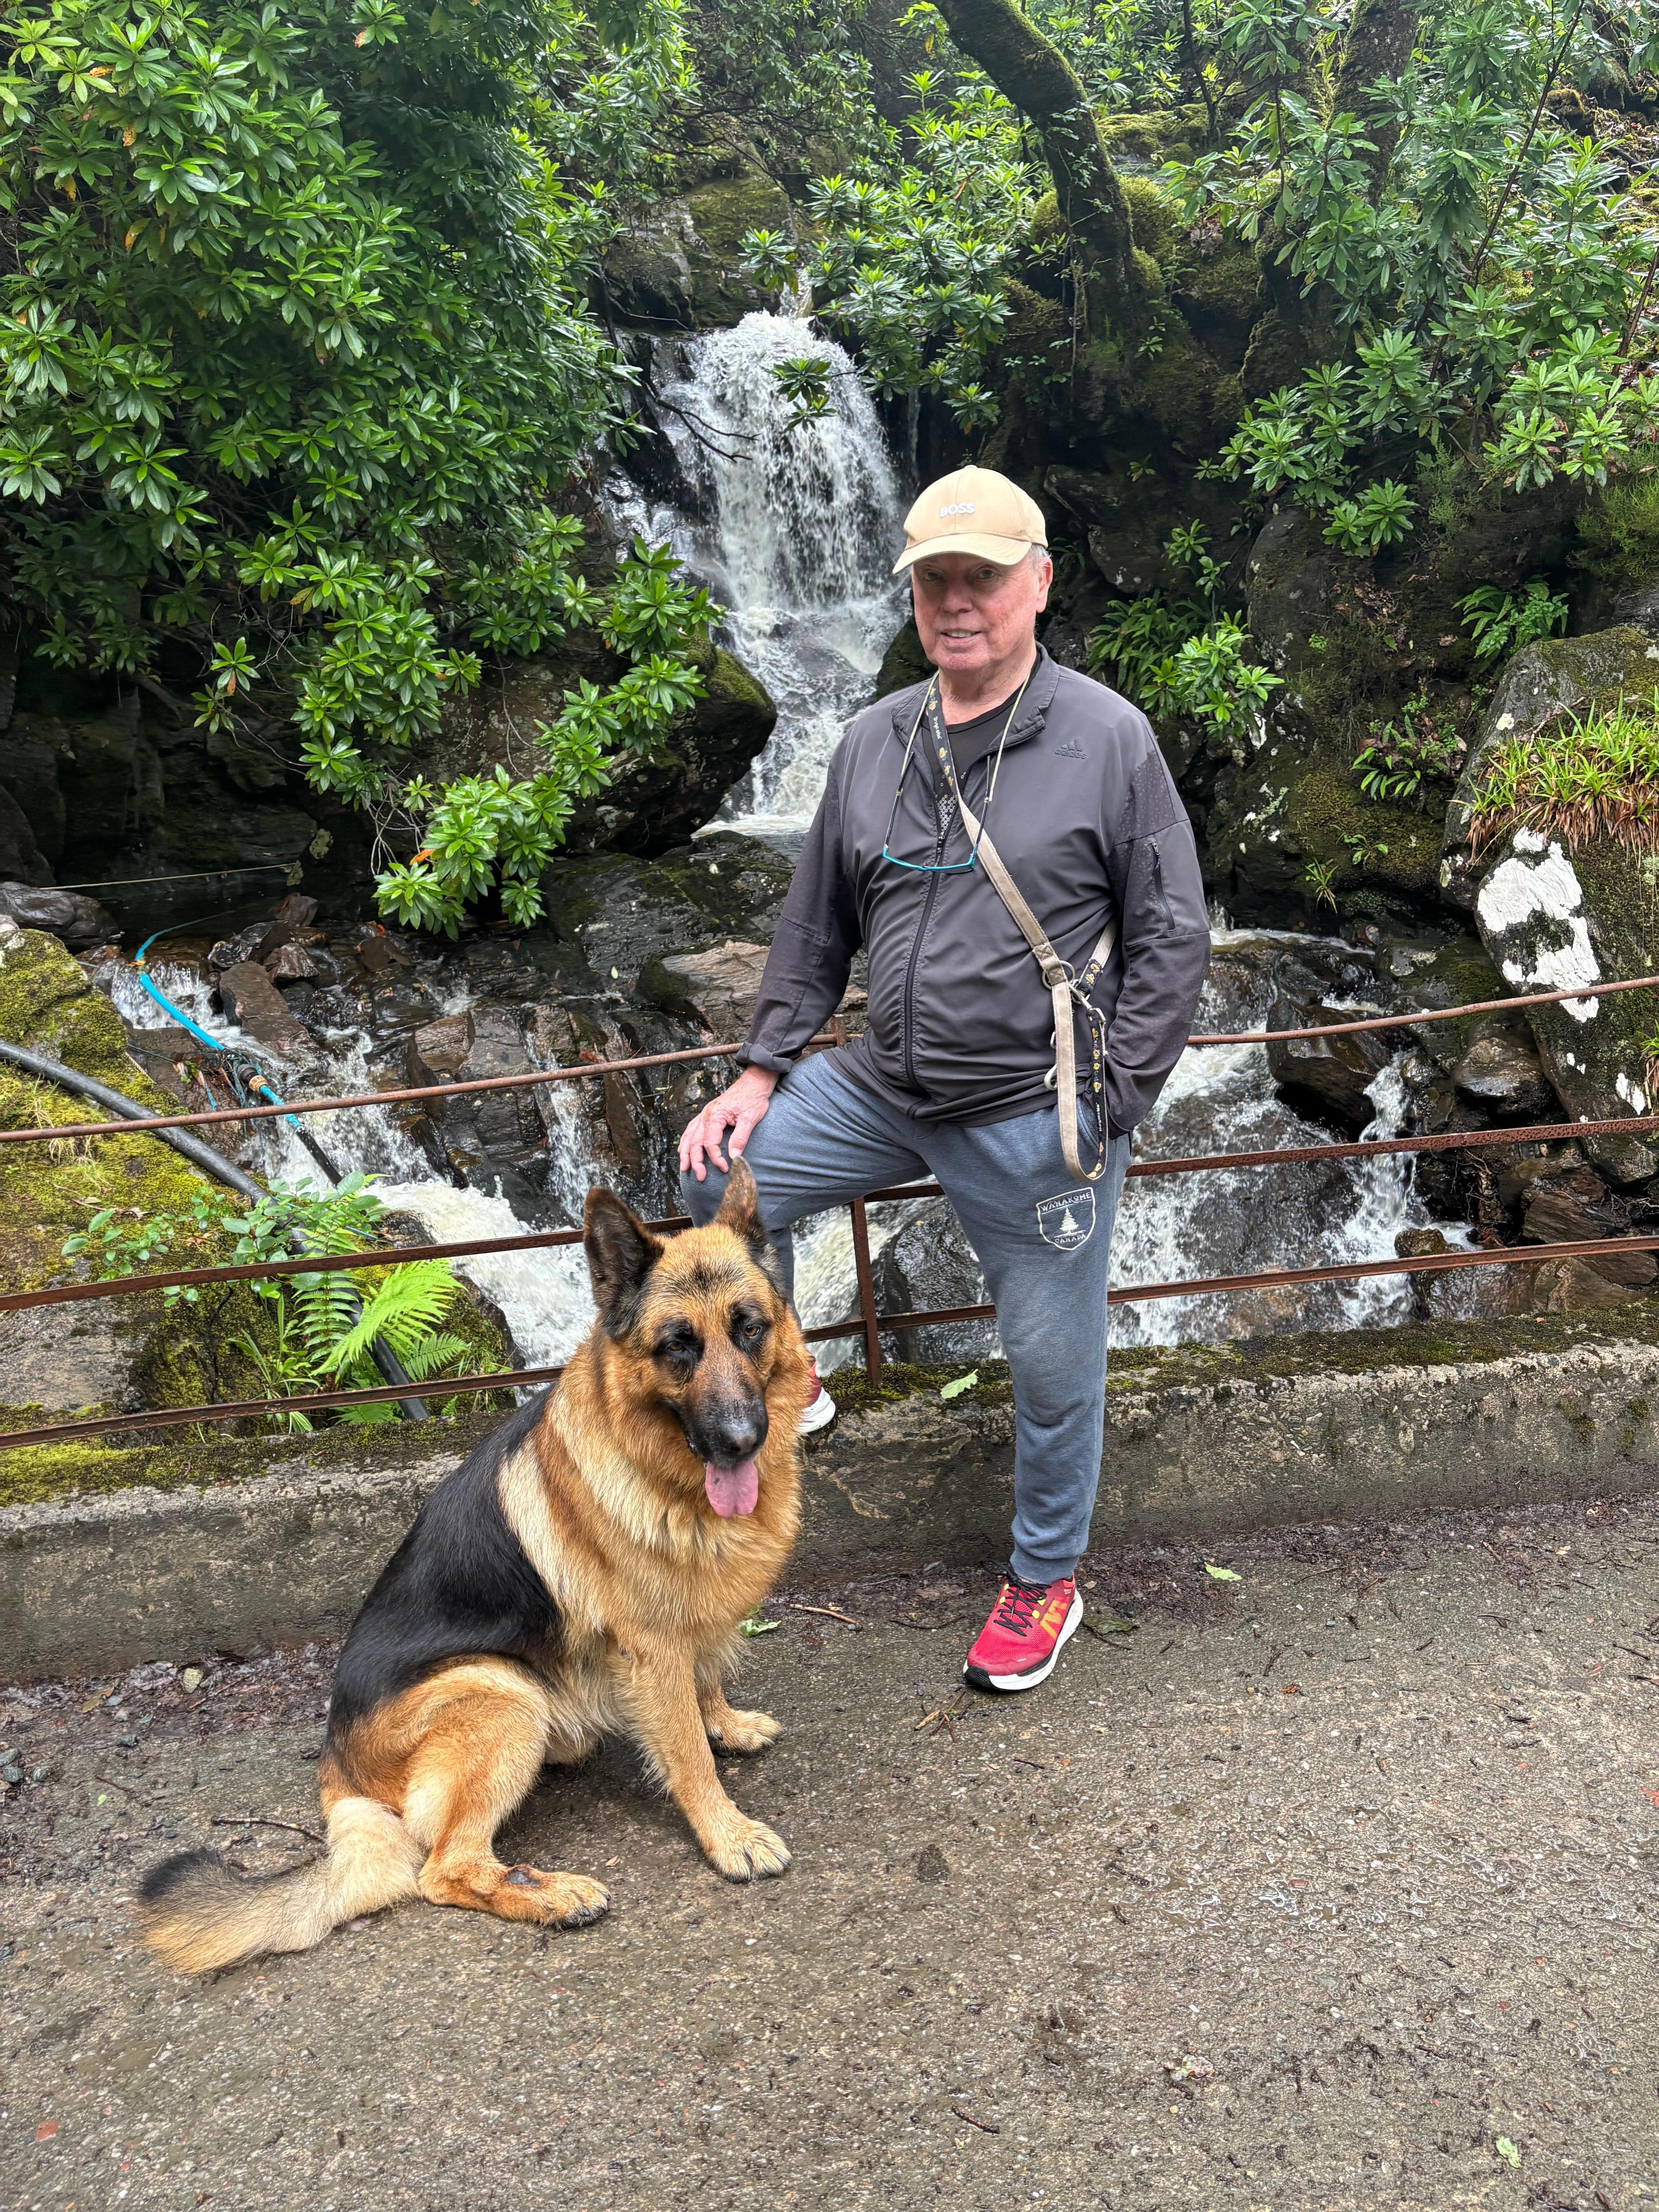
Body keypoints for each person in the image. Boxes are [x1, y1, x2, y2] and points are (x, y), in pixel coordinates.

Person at [679, 466, 1209, 1693]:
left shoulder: (1105, 738)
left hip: (1033, 1107)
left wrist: (1115, 1096)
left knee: (1050, 1360)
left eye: (980, 575)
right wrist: (759, 1069)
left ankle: (1043, 1579)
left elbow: (1172, 930)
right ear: (911, 595)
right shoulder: (875, 738)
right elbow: (816, 924)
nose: (956, 601)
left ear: (1037, 581)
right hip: (884, 1085)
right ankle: (786, 1376)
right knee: (715, 1190)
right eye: (933, 580)